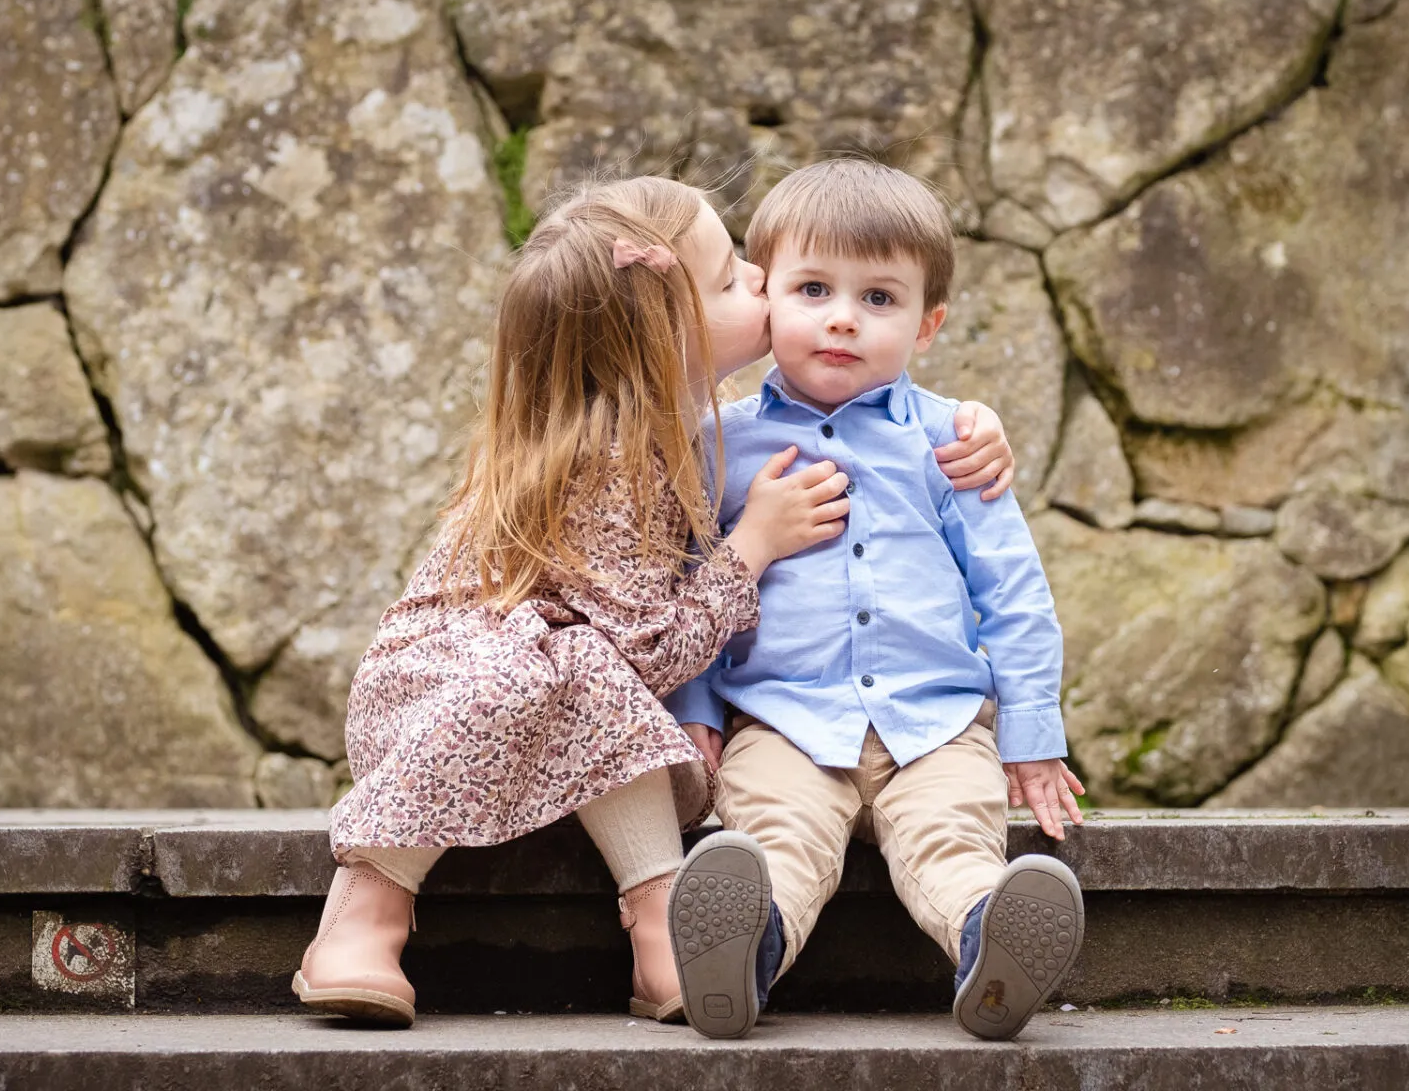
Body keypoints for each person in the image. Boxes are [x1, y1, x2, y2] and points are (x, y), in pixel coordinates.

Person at [293, 175, 1017, 1026]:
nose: (760, 279)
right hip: (451, 704)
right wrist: (754, 545)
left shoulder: (673, 435)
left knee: (587, 676)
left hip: (559, 691)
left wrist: (965, 424)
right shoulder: (617, 460)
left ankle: (664, 933)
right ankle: (367, 911)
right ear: (662, 338)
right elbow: (650, 651)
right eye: (728, 280)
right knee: (590, 670)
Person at [666, 159, 1086, 1042]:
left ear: (929, 322)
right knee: (775, 840)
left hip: (935, 723)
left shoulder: (954, 442)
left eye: (880, 299)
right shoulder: (718, 446)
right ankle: (740, 957)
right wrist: (696, 708)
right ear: (765, 294)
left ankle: (990, 944)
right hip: (781, 719)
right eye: (814, 288)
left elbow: (1011, 591)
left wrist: (1033, 736)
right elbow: (693, 579)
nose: (843, 318)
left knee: (953, 840)